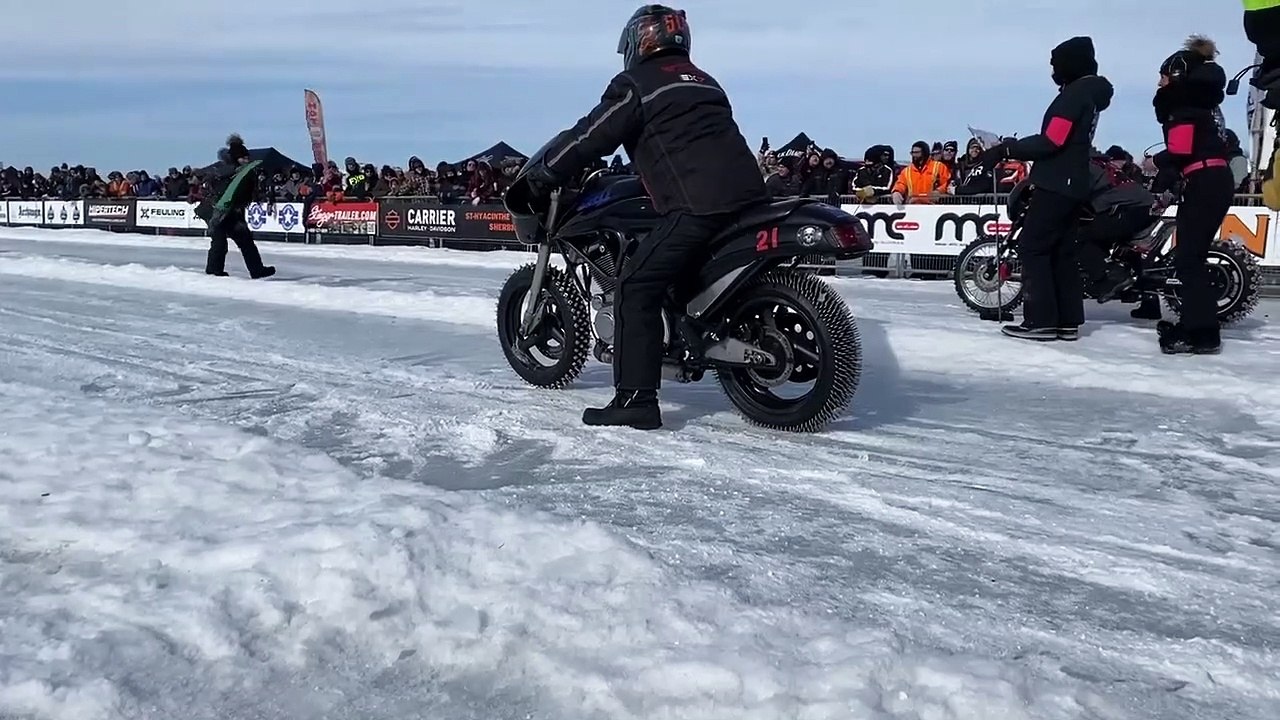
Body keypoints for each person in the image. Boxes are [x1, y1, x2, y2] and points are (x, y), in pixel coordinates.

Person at [519, 4, 767, 430]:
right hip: (747, 198)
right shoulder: (704, 82)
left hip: (699, 204)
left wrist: (544, 172)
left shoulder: (637, 84)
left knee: (634, 286)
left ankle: (636, 399)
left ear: (640, 40)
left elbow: (591, 135)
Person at [981, 36, 1114, 342]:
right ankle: (1067, 321)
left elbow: (1052, 140)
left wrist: (1006, 149)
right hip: (1076, 182)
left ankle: (1040, 321)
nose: (1052, 69)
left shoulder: (1073, 96)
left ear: (1069, 64)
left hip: (1056, 181)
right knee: (1062, 252)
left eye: (1055, 64)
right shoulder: (1089, 95)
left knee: (1033, 247)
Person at [1149, 36, 1233, 355]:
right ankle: (1198, 324)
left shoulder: (1183, 106)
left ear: (1178, 76)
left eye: (1164, 76)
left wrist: (1155, 162)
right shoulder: (1208, 106)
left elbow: (1180, 150)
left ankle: (1202, 332)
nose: (1159, 83)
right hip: (1212, 178)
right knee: (1192, 257)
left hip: (1203, 179)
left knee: (1188, 260)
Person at [1079, 156, 1159, 302]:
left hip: (1132, 209)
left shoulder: (1082, 168)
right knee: (1122, 245)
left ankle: (1109, 279)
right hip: (1144, 206)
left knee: (1080, 236)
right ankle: (1146, 301)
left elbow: (1074, 195)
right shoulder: (1098, 164)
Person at [196, 134, 275, 279]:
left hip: (232, 212)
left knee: (246, 241)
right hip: (216, 211)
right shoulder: (225, 172)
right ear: (235, 158)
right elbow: (223, 192)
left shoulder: (243, 173)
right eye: (243, 158)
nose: (246, 160)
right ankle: (214, 271)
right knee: (220, 242)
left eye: (247, 158)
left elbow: (248, 193)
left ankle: (257, 270)